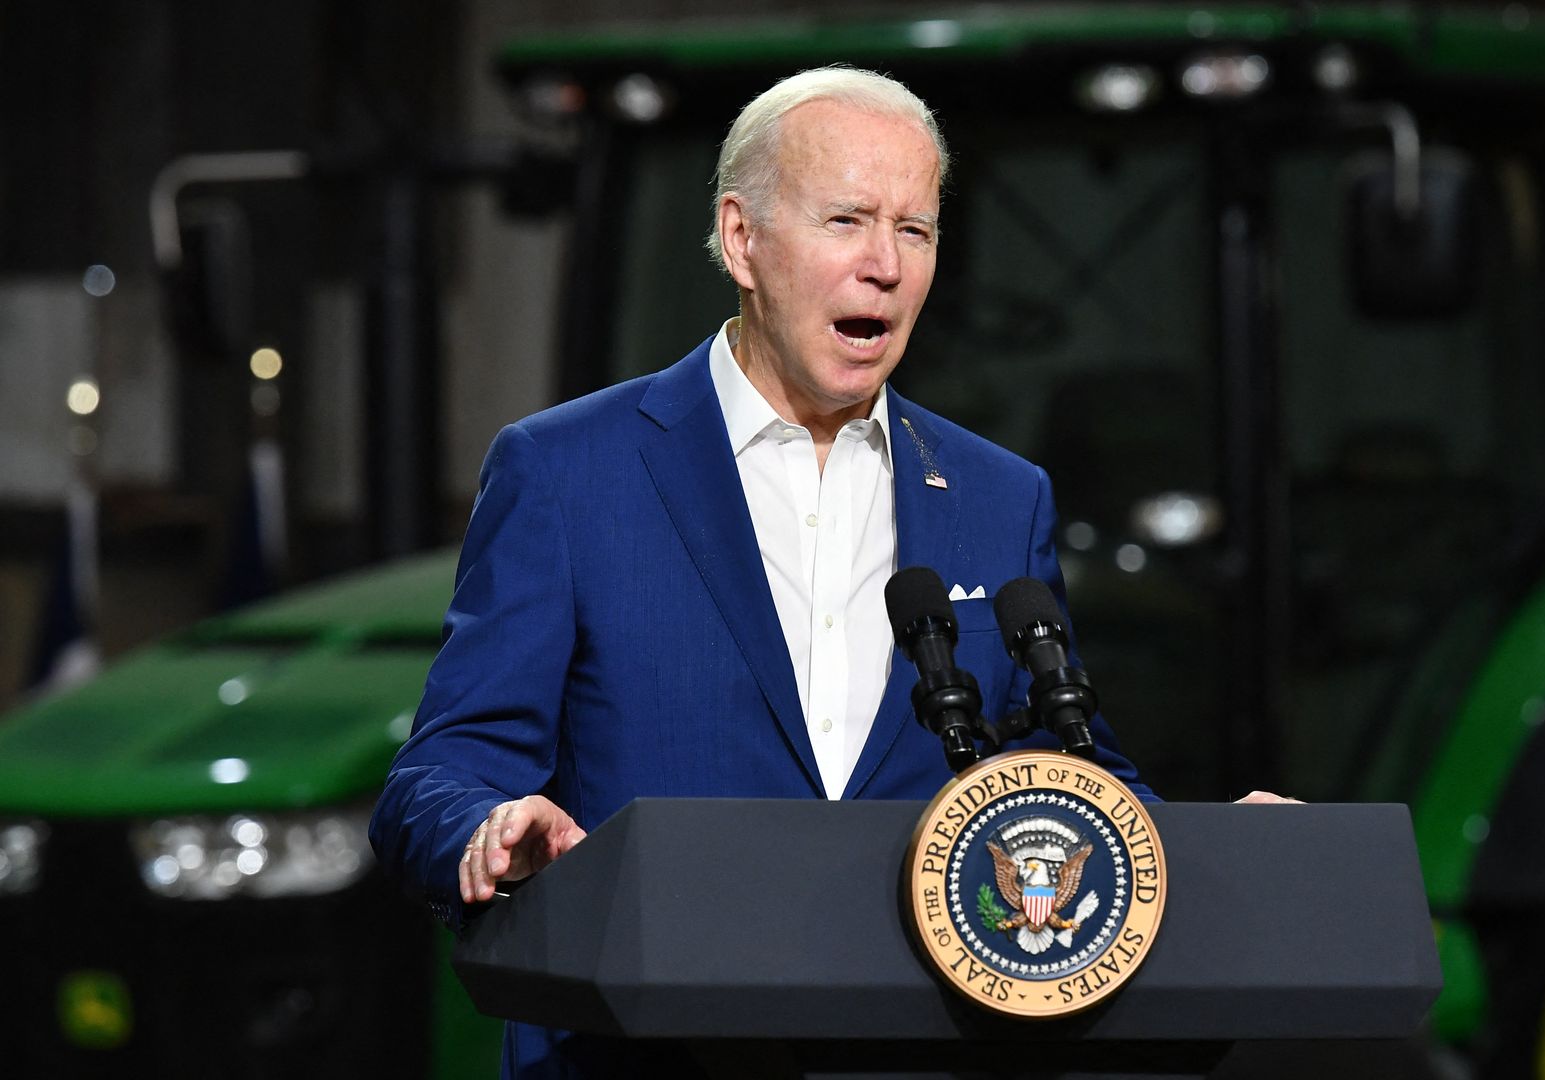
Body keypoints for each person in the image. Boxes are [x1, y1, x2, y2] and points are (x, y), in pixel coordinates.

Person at [369, 67, 1211, 1077]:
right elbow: (439, 773)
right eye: (847, 219)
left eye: (916, 230)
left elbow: (1067, 781)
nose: (885, 266)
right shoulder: (566, 472)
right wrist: (489, 829)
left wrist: (1217, 852)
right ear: (742, 240)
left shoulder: (999, 496)